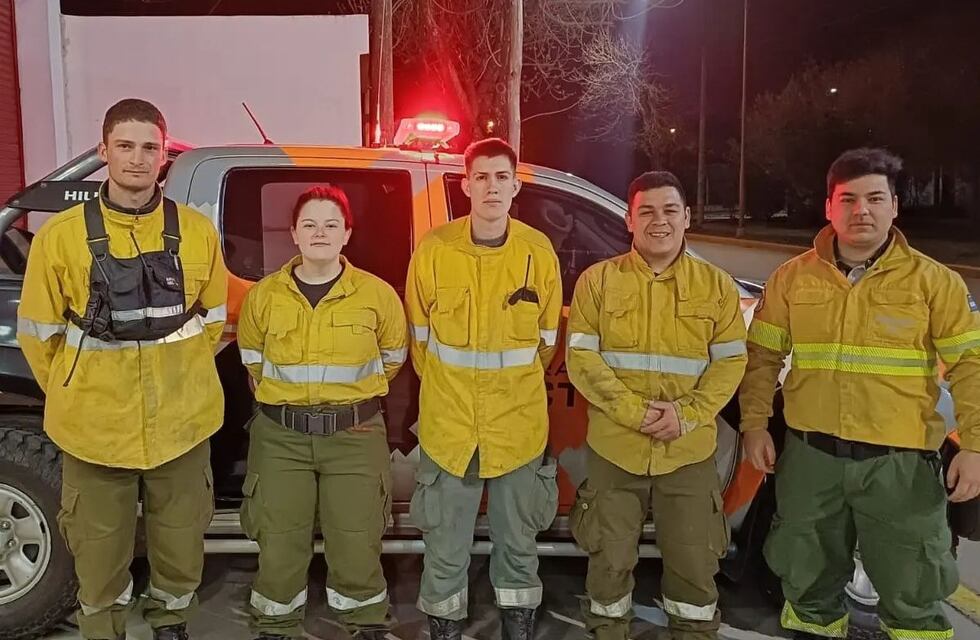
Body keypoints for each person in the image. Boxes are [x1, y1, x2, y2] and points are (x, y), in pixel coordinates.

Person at [739, 147, 980, 640]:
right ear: (829, 207)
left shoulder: (936, 284)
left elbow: (970, 366)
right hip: (811, 461)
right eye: (847, 199)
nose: (861, 210)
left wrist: (975, 446)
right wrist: (756, 425)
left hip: (900, 468)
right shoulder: (792, 279)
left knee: (913, 593)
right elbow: (761, 359)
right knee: (806, 586)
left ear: (895, 205)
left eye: (874, 198)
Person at [17, 98, 228, 640]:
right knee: (97, 553)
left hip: (182, 427)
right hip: (93, 430)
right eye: (126, 146)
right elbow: (38, 335)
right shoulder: (59, 237)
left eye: (149, 147)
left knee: (180, 544)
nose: (138, 158)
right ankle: (101, 631)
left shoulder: (199, 232)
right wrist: (76, 393)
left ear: (164, 156)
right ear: (104, 150)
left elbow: (215, 320)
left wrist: (179, 382)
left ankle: (171, 625)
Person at [566, 171, 747, 640]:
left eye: (670, 210)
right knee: (609, 564)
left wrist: (686, 414)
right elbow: (581, 358)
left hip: (686, 453)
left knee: (693, 567)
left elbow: (730, 364)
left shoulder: (718, 287)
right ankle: (607, 632)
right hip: (615, 450)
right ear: (629, 219)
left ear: (687, 218)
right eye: (646, 210)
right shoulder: (598, 283)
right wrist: (634, 412)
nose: (658, 220)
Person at [404, 137, 562, 640]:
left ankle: (518, 620)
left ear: (516, 186)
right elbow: (420, 344)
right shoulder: (434, 251)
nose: (491, 187)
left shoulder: (538, 253)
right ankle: (445, 624)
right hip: (450, 428)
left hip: (517, 427)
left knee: (518, 540)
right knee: (445, 543)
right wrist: (459, 392)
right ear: (465, 183)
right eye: (481, 177)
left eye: (501, 177)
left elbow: (546, 346)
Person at [237, 185, 407, 640]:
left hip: (354, 437)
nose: (320, 233)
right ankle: (275, 624)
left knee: (356, 542)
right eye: (309, 224)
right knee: (279, 542)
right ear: (293, 233)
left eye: (331, 224)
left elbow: (393, 358)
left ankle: (365, 623)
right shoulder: (264, 296)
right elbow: (253, 361)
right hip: (281, 438)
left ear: (347, 234)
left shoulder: (377, 295)